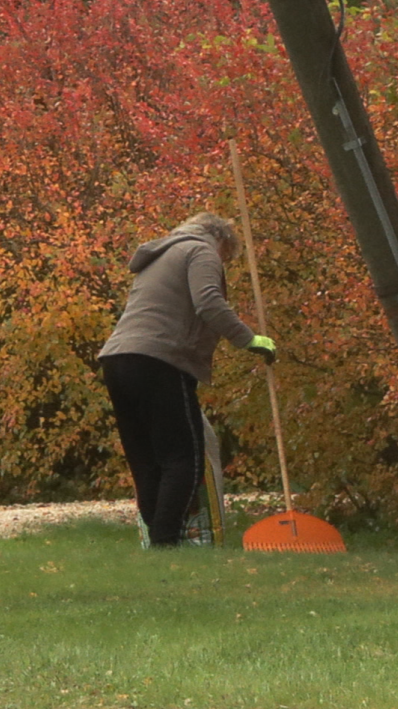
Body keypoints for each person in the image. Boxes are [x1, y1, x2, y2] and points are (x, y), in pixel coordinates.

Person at [99, 212, 276, 547]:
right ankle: (166, 542)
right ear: (222, 241)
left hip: (116, 359)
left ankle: (158, 543)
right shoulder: (202, 251)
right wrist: (248, 339)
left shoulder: (161, 254)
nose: (223, 262)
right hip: (161, 360)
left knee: (146, 459)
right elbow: (209, 303)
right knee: (185, 458)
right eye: (228, 258)